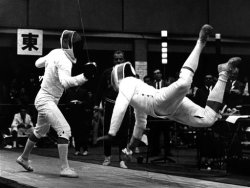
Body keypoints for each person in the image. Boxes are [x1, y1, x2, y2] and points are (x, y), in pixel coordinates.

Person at [97, 25, 241, 160]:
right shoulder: (134, 96)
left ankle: (201, 42)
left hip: (161, 100)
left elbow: (120, 108)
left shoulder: (127, 83)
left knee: (184, 83)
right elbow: (140, 124)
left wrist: (111, 132)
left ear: (117, 78)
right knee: (208, 119)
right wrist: (130, 148)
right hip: (170, 111)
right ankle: (224, 73)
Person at [16, 30, 96, 178]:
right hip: (46, 100)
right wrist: (85, 76)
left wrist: (49, 63)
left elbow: (37, 63)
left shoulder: (55, 52)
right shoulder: (64, 60)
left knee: (40, 131)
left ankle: (23, 158)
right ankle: (64, 168)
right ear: (71, 46)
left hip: (45, 98)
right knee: (64, 130)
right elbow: (66, 82)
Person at [93, 50, 131, 169]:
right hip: (109, 104)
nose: (118, 61)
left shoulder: (128, 72)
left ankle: (122, 160)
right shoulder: (106, 73)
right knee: (108, 132)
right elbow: (99, 90)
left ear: (124, 60)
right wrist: (96, 104)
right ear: (113, 60)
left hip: (124, 105)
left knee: (124, 133)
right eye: (116, 59)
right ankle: (107, 156)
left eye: (121, 59)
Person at [64, 84, 93, 156]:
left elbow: (88, 102)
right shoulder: (69, 91)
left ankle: (85, 149)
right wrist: (71, 103)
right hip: (73, 115)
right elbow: (66, 102)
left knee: (83, 133)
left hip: (82, 114)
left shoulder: (84, 91)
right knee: (75, 133)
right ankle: (77, 149)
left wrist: (81, 103)